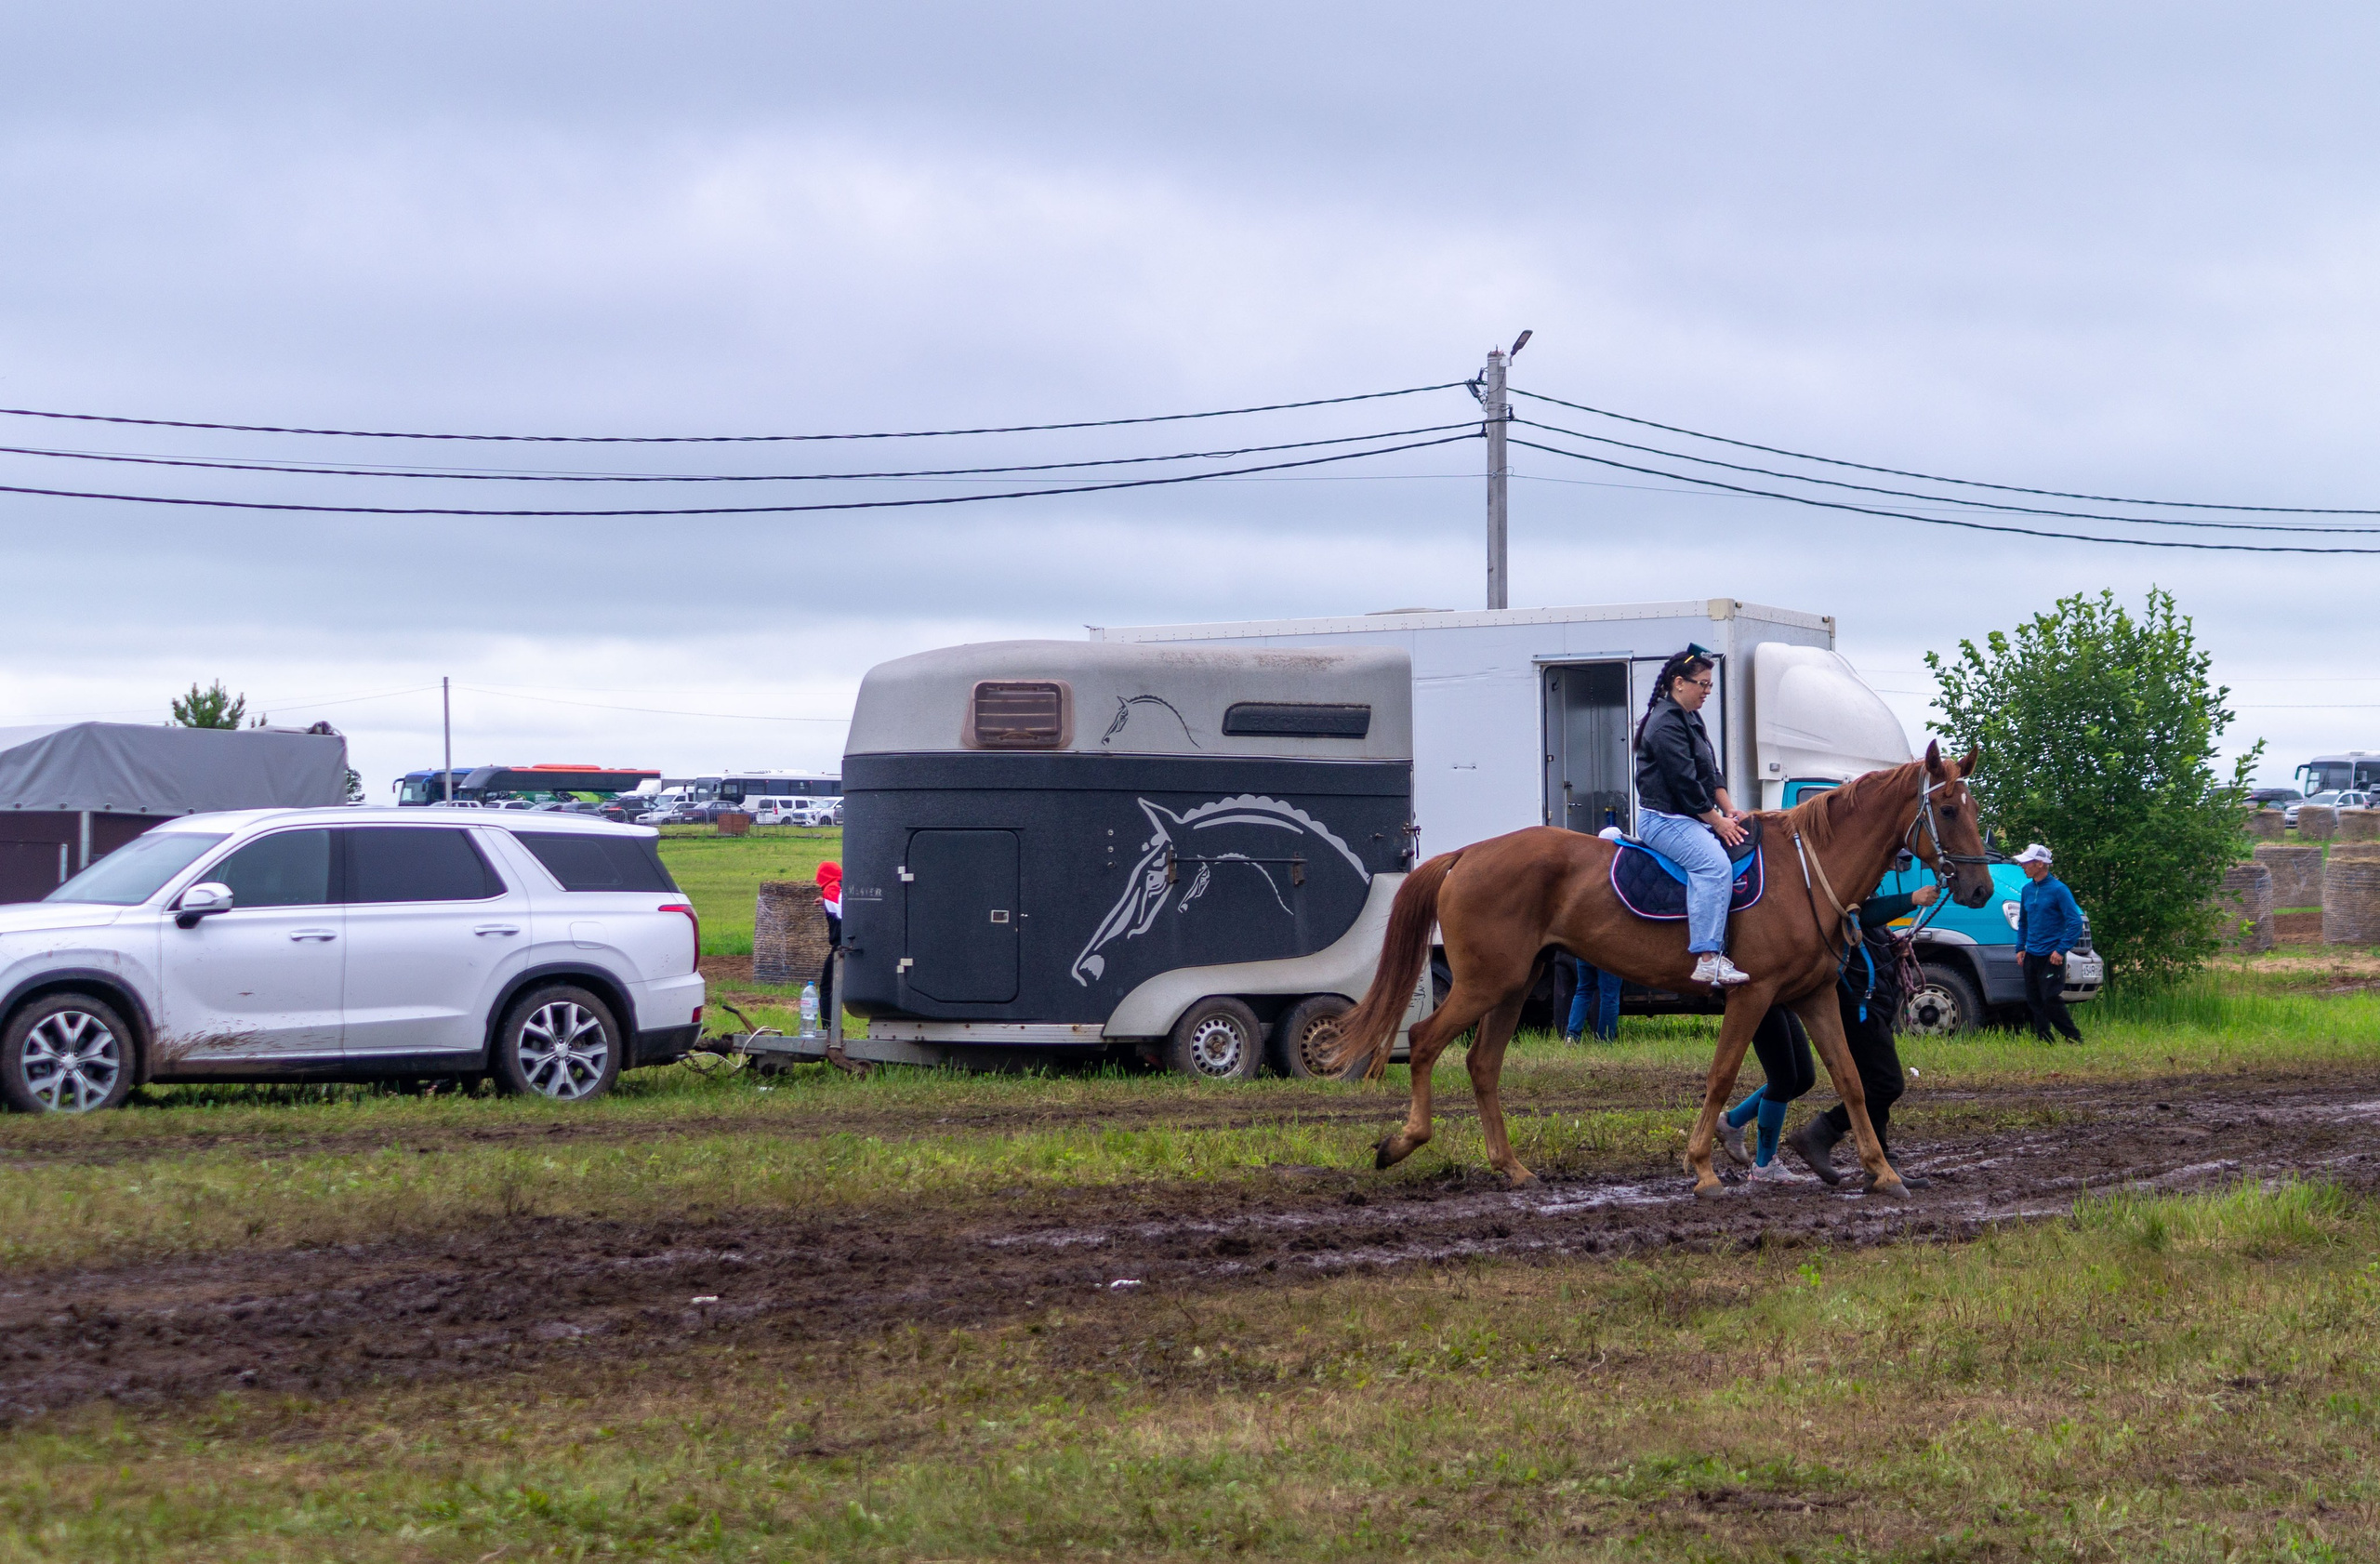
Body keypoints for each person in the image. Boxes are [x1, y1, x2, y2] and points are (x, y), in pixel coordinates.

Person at [1781, 877, 1941, 1186]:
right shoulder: (1844, 889)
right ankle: (1820, 1132)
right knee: (1887, 1084)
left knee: (1872, 1084)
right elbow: (1863, 915)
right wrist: (1912, 898)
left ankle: (1882, 1168)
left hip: (1873, 1003)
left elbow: (1869, 926)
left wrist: (1894, 947)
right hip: (1856, 1005)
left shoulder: (1864, 888)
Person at [1633, 646, 1753, 987]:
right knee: (1714, 866)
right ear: (1678, 682)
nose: (1707, 691)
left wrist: (1729, 808)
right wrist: (1717, 822)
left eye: (1710, 685)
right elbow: (1685, 783)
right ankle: (1707, 957)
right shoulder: (1664, 723)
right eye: (1702, 684)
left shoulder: (1691, 718)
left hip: (1690, 817)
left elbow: (1709, 771)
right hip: (1665, 820)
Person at [2013, 842, 2084, 1043]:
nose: (2023, 866)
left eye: (2027, 863)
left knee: (2051, 999)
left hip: (2051, 956)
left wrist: (2061, 950)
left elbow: (2075, 922)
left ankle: (2073, 1037)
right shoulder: (2027, 890)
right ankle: (2044, 1038)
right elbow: (2023, 922)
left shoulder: (2059, 890)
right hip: (2031, 954)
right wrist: (2020, 947)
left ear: (2040, 864)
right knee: (2034, 1000)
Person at [1563, 955, 1622, 1043]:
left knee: (1583, 991)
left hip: (1585, 951)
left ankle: (1572, 1036)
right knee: (1609, 996)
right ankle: (1604, 1040)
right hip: (1609, 953)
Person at [815, 859, 843, 1022]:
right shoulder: (843, 884)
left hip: (841, 944)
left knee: (826, 987)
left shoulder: (831, 888)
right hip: (853, 941)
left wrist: (827, 899)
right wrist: (825, 902)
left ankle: (828, 1028)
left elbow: (841, 913)